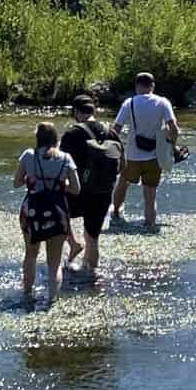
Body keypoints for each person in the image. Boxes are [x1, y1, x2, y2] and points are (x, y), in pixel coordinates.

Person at [13, 122, 80, 305]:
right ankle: (52, 299)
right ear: (56, 139)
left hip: (31, 212)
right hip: (58, 212)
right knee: (54, 263)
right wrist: (61, 184)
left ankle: (27, 294)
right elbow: (76, 189)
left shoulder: (28, 155)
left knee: (31, 255)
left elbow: (16, 183)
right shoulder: (66, 158)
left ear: (38, 139)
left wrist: (31, 179)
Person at [59, 94, 123, 278]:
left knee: (59, 215)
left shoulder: (72, 134)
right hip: (103, 192)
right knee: (93, 239)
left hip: (77, 192)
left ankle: (73, 244)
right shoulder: (111, 132)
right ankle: (91, 278)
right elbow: (122, 165)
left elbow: (60, 165)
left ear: (76, 112)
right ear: (94, 110)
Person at [112, 72, 180, 231]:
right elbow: (174, 129)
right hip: (154, 157)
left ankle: (115, 212)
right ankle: (150, 224)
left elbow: (116, 129)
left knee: (122, 184)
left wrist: (116, 152)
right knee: (150, 195)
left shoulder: (129, 103)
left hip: (132, 157)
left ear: (136, 86)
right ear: (153, 86)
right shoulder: (163, 102)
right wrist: (171, 148)